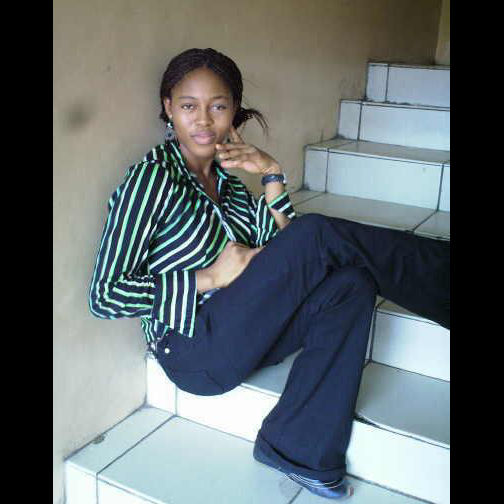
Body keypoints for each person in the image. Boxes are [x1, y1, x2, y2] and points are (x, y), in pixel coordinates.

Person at [89, 47, 450, 500]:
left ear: (234, 111)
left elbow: (294, 251)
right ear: (168, 108)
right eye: (188, 106)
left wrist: (272, 173)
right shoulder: (150, 180)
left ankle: (296, 449)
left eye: (218, 106)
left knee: (350, 284)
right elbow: (104, 295)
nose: (204, 120)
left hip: (246, 334)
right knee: (318, 234)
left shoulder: (231, 186)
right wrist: (210, 277)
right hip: (192, 350)